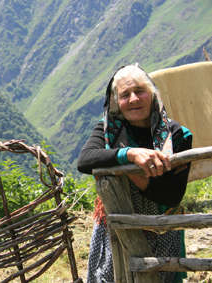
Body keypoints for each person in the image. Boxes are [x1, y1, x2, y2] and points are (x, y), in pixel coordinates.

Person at [77, 64, 192, 283]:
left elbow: (172, 195)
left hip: (162, 230)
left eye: (140, 91)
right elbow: (85, 160)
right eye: (125, 95)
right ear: (116, 102)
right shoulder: (108, 130)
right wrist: (129, 154)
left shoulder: (176, 135)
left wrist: (133, 174)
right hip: (116, 231)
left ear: (153, 94)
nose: (133, 99)